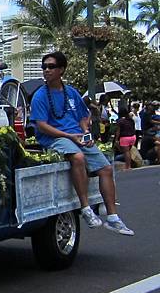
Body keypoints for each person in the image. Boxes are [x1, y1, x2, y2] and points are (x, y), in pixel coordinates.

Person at [30, 51, 134, 236]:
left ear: (61, 69)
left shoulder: (71, 92)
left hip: (77, 136)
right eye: (44, 67)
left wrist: (85, 131)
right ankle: (86, 208)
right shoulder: (40, 96)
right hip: (56, 138)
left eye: (51, 66)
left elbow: (83, 116)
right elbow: (42, 126)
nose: (46, 70)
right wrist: (69, 136)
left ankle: (113, 217)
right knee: (77, 158)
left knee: (106, 169)